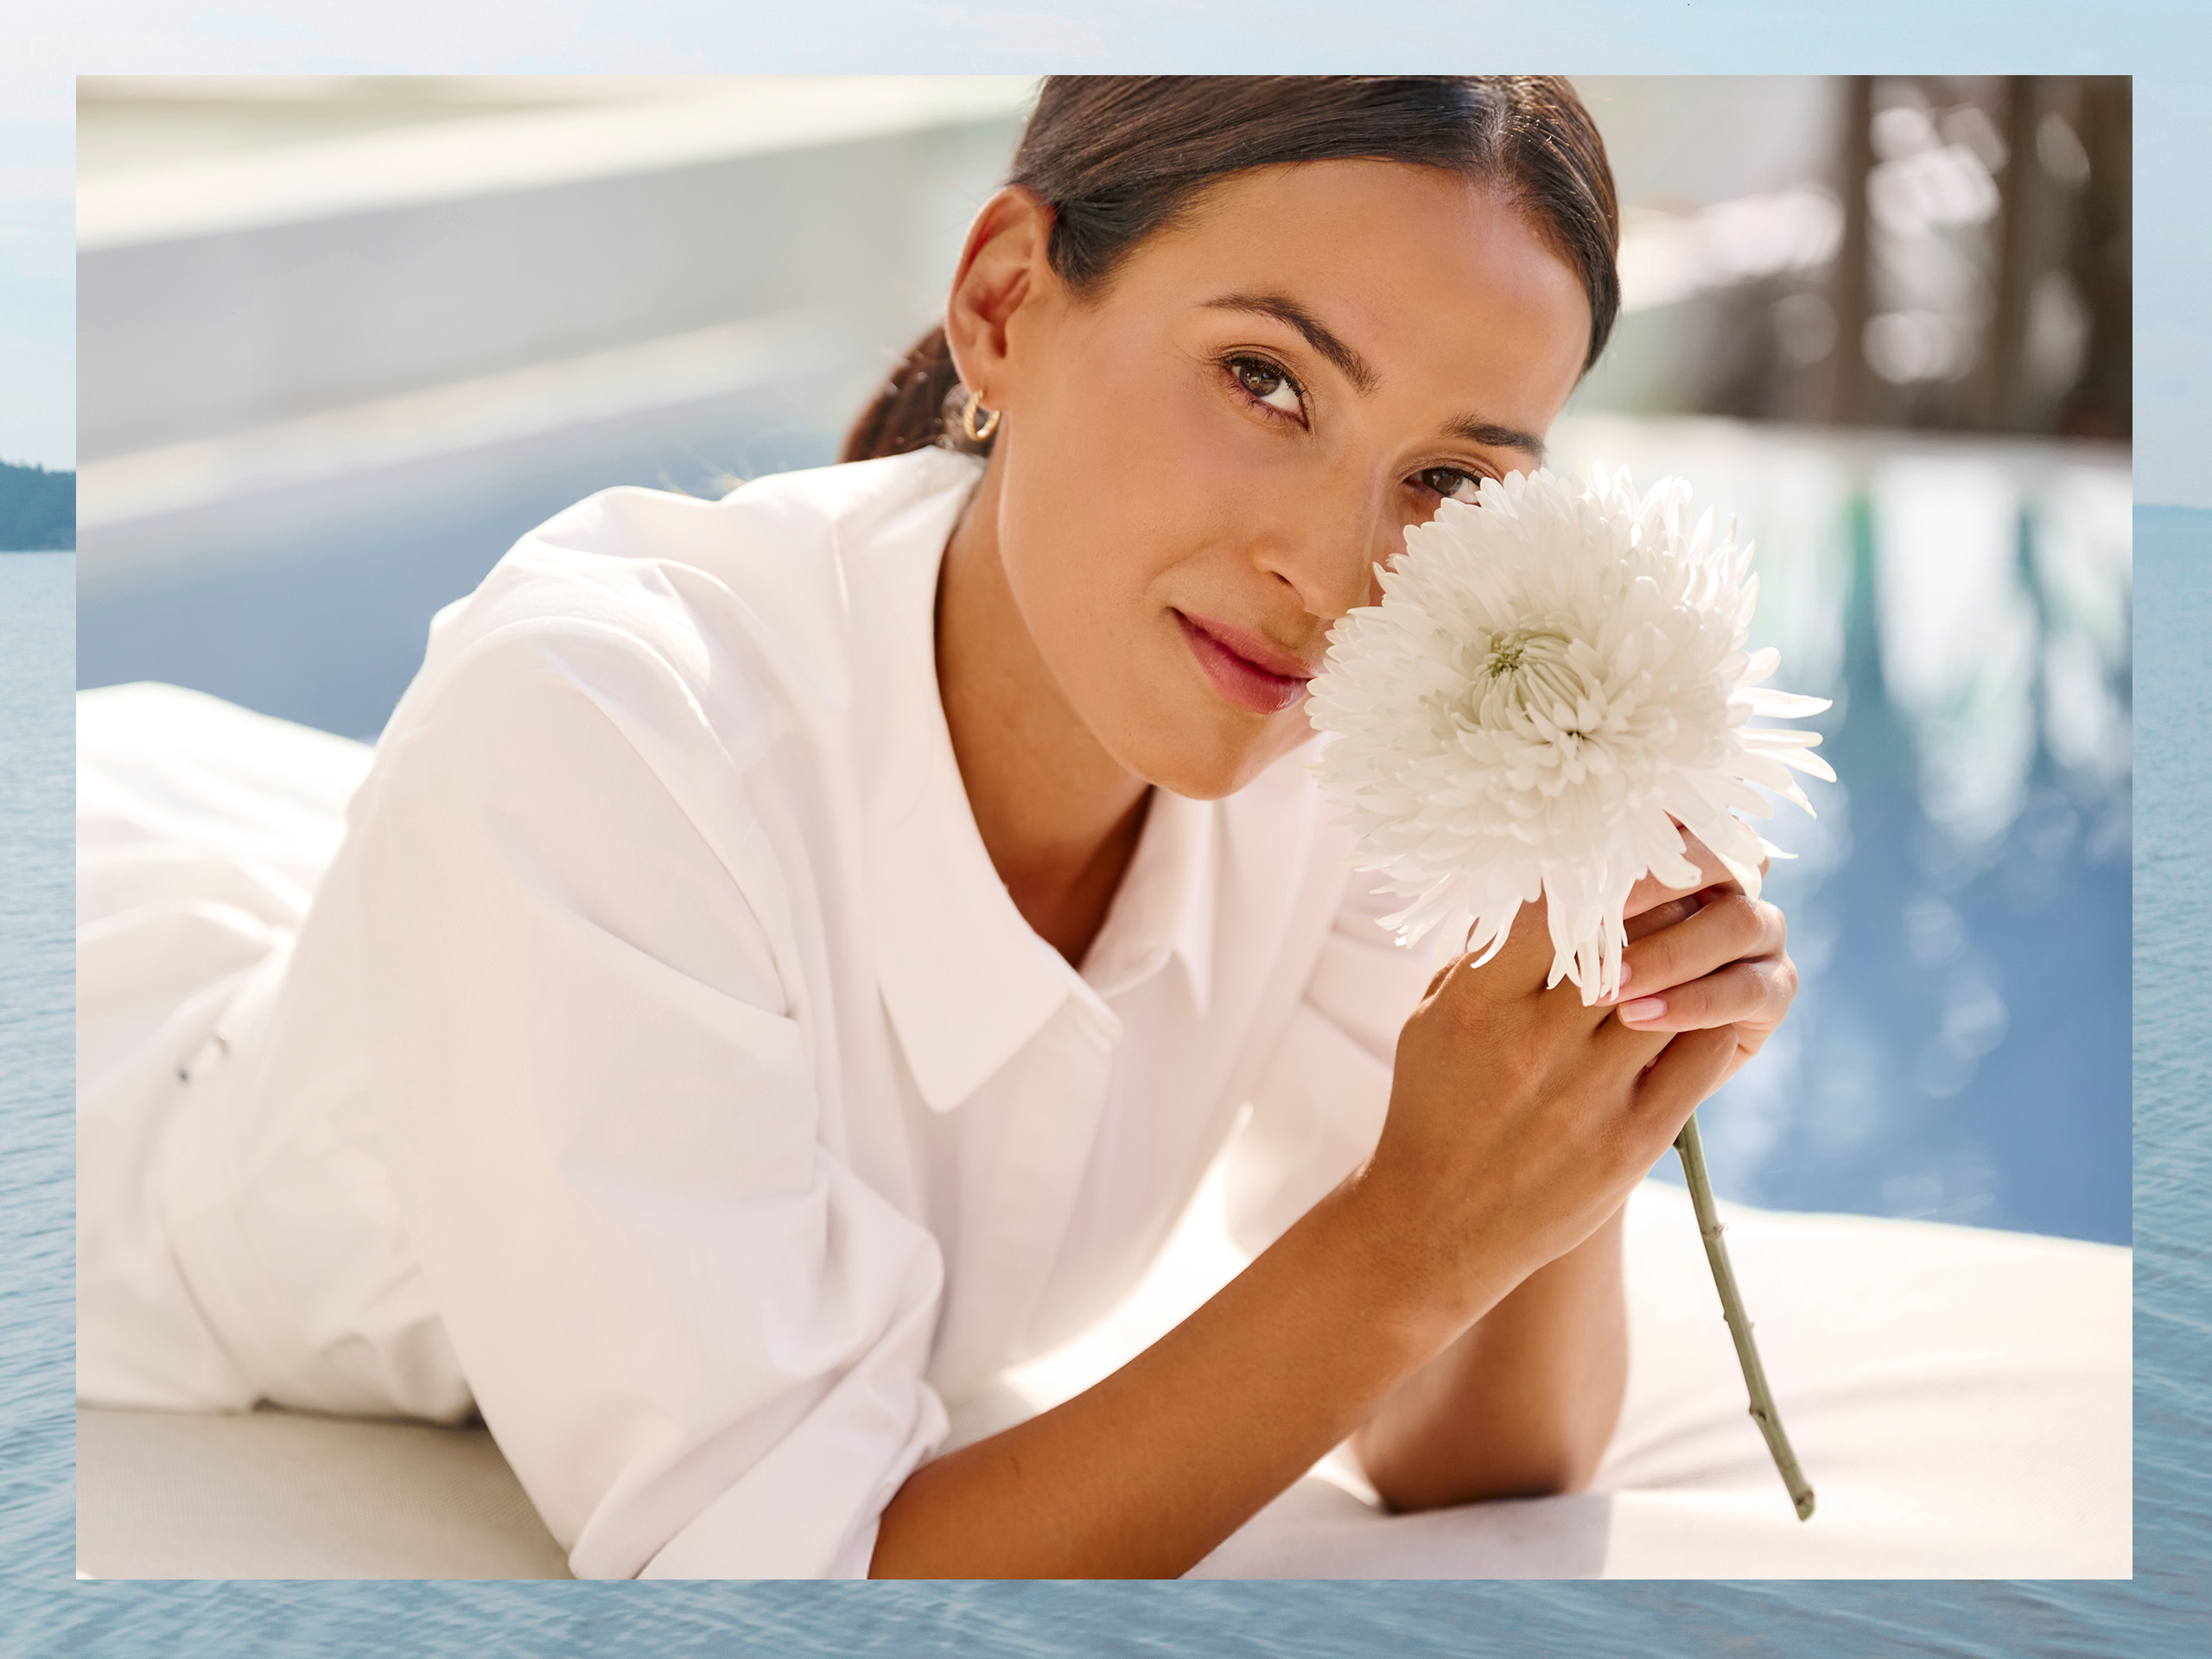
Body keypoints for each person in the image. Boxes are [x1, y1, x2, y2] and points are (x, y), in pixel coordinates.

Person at [75, 75, 1798, 1580]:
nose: (1333, 572)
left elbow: (1473, 1457)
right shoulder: (608, 722)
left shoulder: (1342, 730)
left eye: (1448, 479)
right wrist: (1409, 1227)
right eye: (1265, 382)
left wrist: (1584, 1042)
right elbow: (774, 1588)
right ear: (1001, 304)